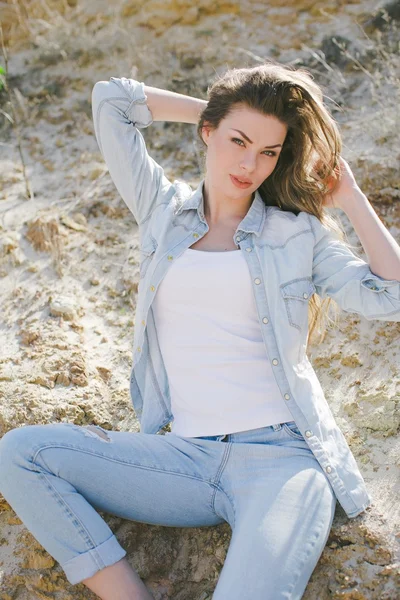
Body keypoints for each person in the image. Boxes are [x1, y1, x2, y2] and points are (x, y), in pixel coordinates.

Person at [0, 60, 399, 600]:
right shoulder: (162, 210)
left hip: (282, 463)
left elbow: (390, 294)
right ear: (207, 133)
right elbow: (111, 100)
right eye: (237, 140)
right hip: (186, 459)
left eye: (268, 152)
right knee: (20, 453)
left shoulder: (295, 234)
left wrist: (349, 196)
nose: (249, 163)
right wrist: (210, 110)